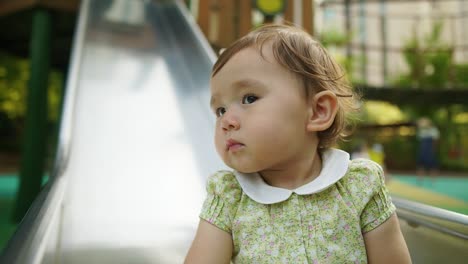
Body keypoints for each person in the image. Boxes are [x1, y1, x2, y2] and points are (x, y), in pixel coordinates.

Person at [185, 24, 411, 263]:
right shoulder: (229, 197)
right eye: (220, 110)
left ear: (317, 112)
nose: (226, 121)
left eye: (249, 98)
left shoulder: (359, 187)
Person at [416, 117, 439, 184]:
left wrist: (433, 150)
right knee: (421, 165)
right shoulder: (421, 131)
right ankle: (420, 180)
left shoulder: (434, 130)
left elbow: (436, 141)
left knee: (433, 166)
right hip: (423, 150)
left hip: (430, 151)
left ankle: (433, 180)